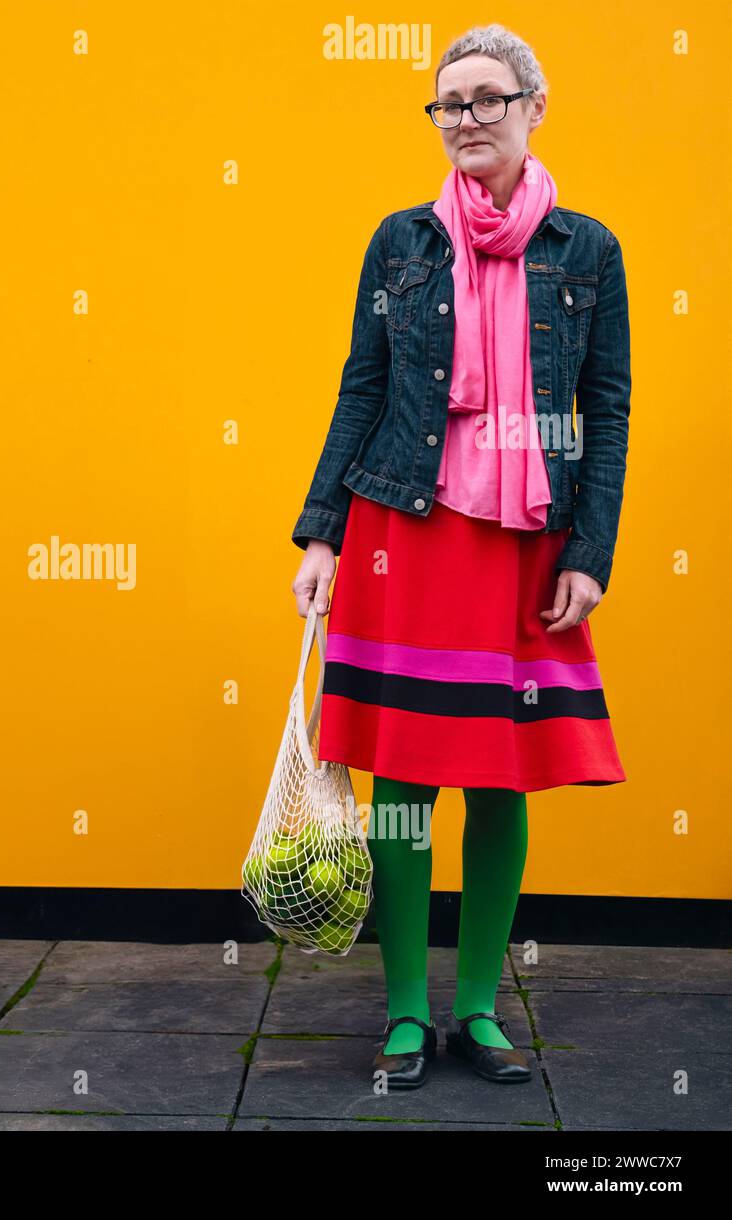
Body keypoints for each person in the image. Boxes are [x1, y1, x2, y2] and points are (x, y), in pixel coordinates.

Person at [290, 24, 629, 1089]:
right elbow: (362, 384)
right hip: (406, 528)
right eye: (447, 104)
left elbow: (606, 408)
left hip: (527, 538)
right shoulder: (400, 241)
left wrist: (592, 549)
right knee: (401, 775)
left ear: (534, 106)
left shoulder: (588, 248)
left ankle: (477, 1007)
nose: (466, 120)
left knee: (499, 773)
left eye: (486, 99)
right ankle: (402, 1012)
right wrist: (319, 529)